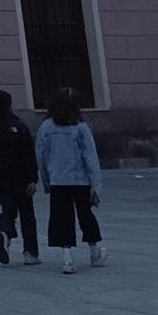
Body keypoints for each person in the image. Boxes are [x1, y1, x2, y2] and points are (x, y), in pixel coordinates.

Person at [35, 86, 105, 274]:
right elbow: (91, 157)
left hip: (58, 180)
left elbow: (41, 156)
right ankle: (94, 251)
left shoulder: (46, 127)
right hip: (80, 180)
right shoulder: (81, 127)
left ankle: (67, 258)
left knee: (61, 219)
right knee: (86, 215)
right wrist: (96, 186)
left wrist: (46, 180)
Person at [0, 89, 40, 266]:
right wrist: (32, 178)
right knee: (27, 214)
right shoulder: (19, 127)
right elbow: (28, 154)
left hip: (2, 176)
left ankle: (4, 233)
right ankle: (30, 253)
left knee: (7, 209)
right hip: (21, 176)